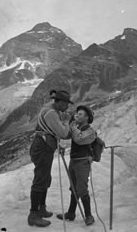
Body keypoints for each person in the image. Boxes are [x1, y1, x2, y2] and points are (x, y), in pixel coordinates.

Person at [28, 90, 73, 227]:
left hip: (43, 144)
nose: (67, 107)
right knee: (41, 178)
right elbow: (64, 133)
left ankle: (41, 208)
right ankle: (34, 214)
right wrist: (66, 122)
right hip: (43, 146)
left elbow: (50, 131)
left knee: (45, 177)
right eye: (65, 104)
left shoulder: (49, 109)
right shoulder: (52, 114)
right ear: (59, 102)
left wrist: (55, 142)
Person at [57, 105, 96, 226]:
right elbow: (67, 135)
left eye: (80, 114)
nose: (77, 116)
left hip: (83, 162)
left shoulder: (90, 131)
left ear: (87, 117)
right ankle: (71, 213)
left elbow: (79, 139)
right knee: (73, 187)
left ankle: (89, 215)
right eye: (77, 113)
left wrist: (72, 125)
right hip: (74, 161)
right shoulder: (77, 127)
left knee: (82, 188)